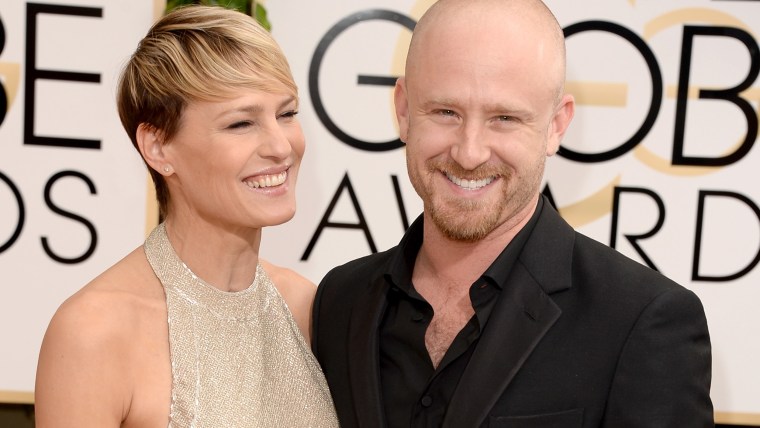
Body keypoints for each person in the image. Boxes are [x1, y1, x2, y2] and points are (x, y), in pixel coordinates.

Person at [311, 0, 713, 426]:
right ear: (405, 110)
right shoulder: (341, 299)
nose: (469, 153)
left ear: (556, 126)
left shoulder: (641, 322)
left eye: (504, 118)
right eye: (446, 112)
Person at [34, 5, 339, 427]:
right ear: (158, 148)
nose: (281, 146)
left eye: (286, 114)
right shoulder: (94, 332)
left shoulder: (310, 307)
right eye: (240, 123)